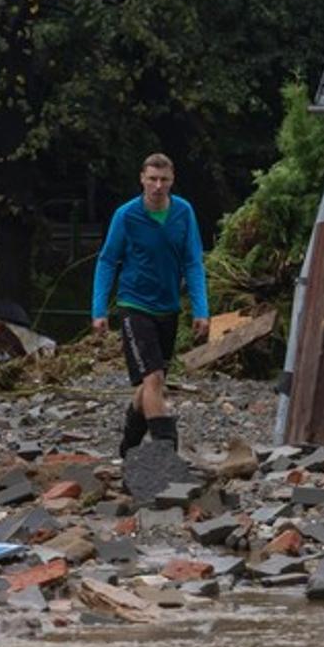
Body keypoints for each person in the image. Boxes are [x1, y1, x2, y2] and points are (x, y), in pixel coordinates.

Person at [91, 152, 210, 455]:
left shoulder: (183, 212)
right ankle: (165, 448)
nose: (158, 186)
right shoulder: (126, 215)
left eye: (164, 180)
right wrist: (99, 310)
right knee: (154, 378)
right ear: (142, 179)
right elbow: (107, 261)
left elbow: (193, 262)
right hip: (134, 305)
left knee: (148, 385)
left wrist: (201, 310)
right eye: (152, 179)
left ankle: (128, 447)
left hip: (168, 307)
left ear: (172, 181)